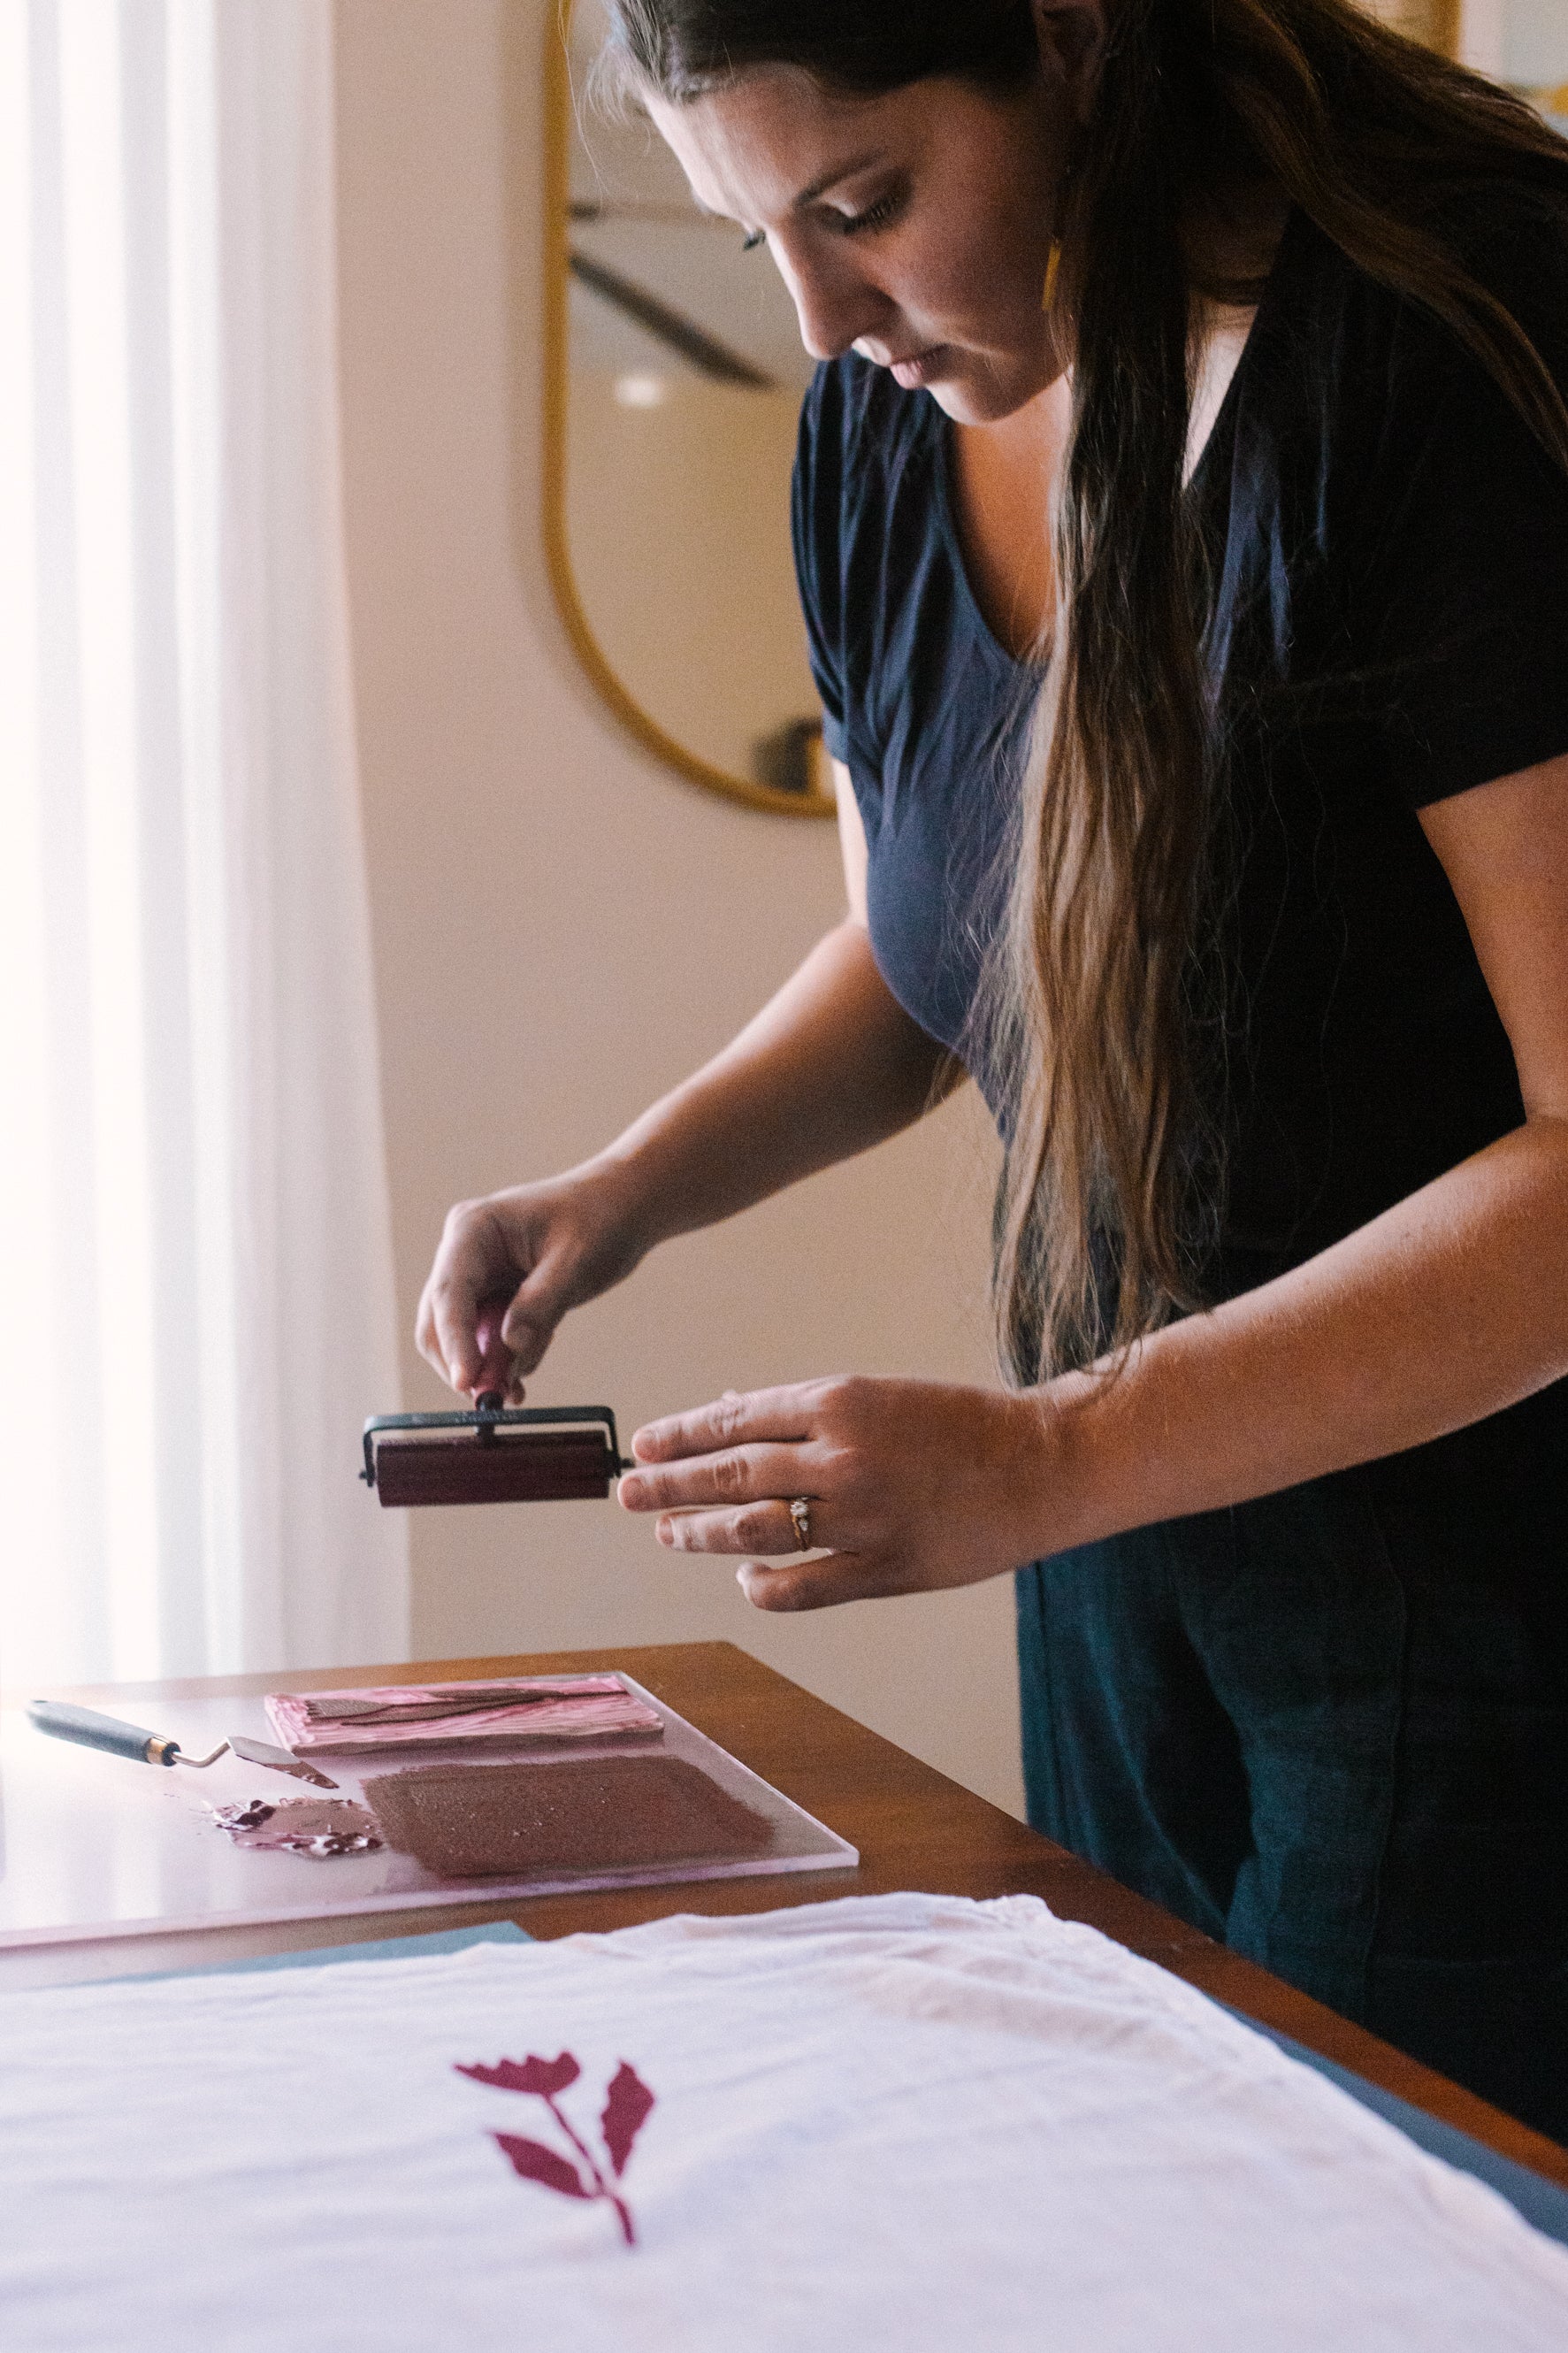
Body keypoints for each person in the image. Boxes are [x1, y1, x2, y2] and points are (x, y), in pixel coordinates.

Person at [417, 0, 1568, 2135]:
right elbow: (935, 944)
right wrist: (628, 1187)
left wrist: (1045, 1458)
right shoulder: (883, 428)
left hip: (1480, 1593)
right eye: (756, 236)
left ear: (1071, 42)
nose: (819, 312)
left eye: (860, 206)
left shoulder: (1439, 360)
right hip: (1131, 1546)